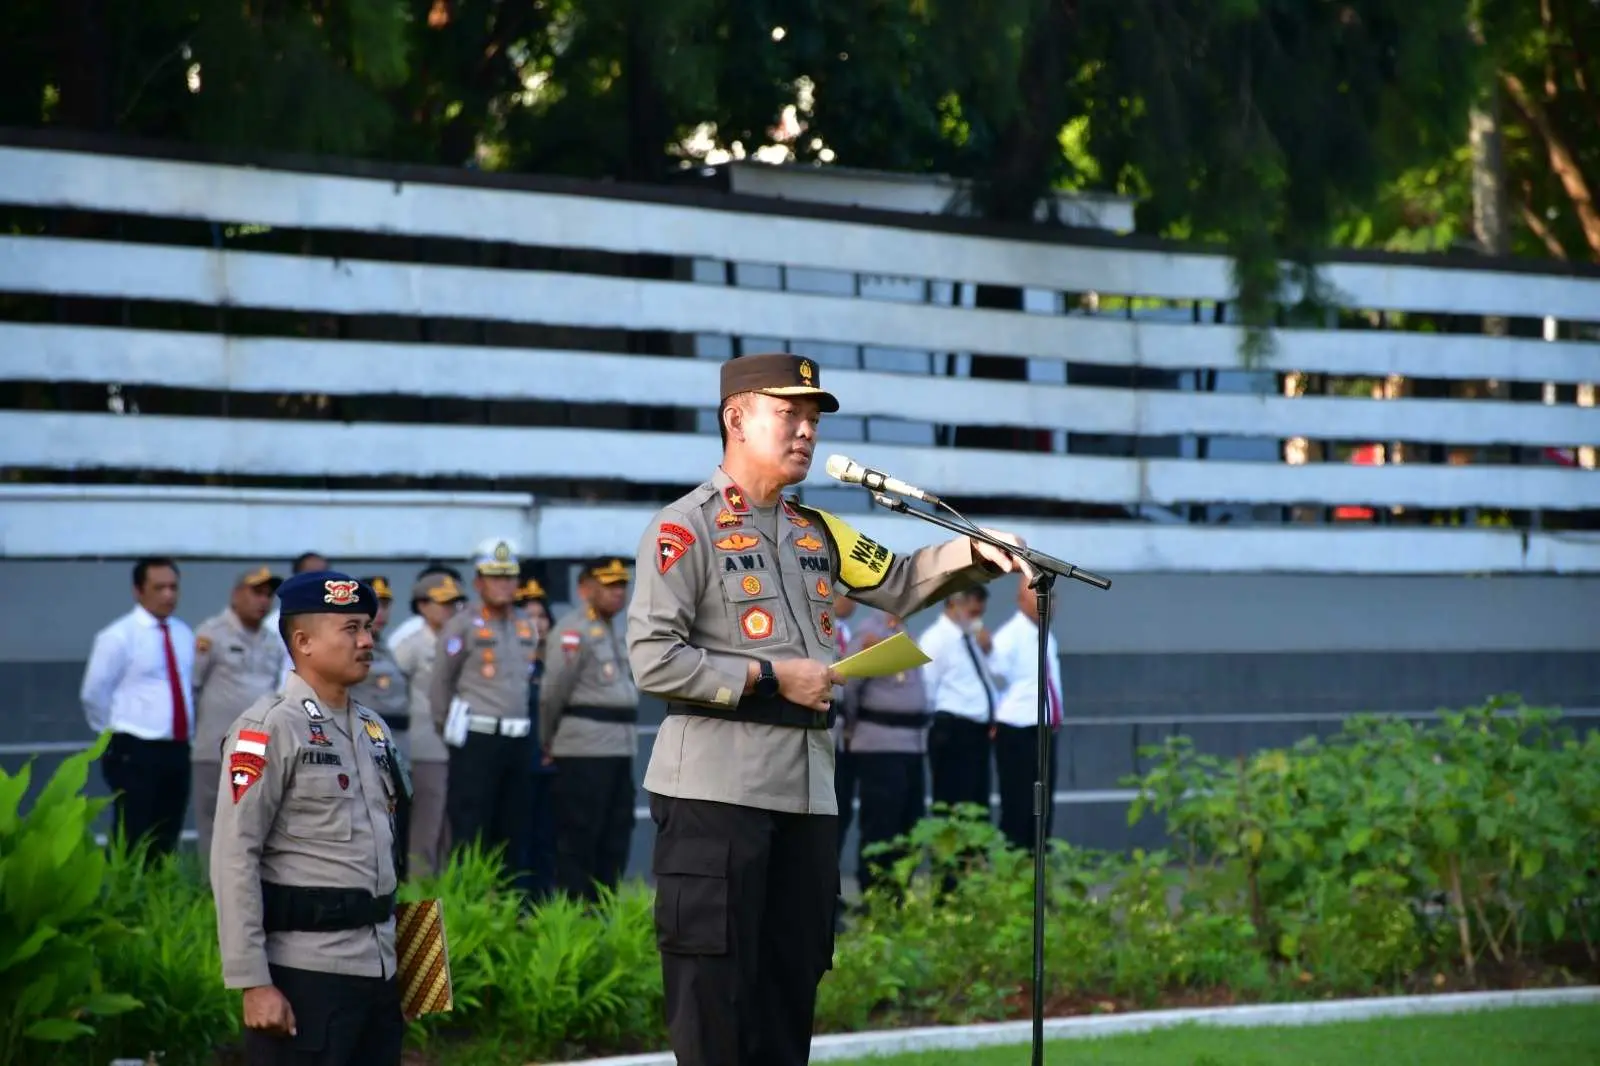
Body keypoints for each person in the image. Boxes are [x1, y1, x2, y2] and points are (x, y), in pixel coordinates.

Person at [626, 352, 1026, 1066]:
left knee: (790, 989)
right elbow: (654, 658)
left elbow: (899, 581)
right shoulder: (683, 528)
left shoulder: (816, 530)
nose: (807, 431)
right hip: (717, 790)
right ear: (736, 419)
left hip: (807, 792)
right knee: (714, 995)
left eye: (812, 419)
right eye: (790, 415)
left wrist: (974, 552)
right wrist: (772, 678)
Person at [211, 570, 410, 1066]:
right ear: (303, 641)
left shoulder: (373, 728)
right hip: (307, 975)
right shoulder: (267, 729)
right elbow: (234, 857)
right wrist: (253, 982)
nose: (367, 640)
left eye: (368, 627)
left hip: (380, 971)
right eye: (350, 629)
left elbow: (390, 848)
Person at [429, 538, 539, 885]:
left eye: (509, 576)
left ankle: (508, 911)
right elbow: (440, 685)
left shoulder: (526, 624)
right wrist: (450, 732)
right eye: (495, 577)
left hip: (518, 739)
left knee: (514, 830)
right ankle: (470, 906)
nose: (504, 584)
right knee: (471, 831)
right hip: (477, 737)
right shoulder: (462, 625)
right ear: (478, 582)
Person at [80, 556, 196, 863]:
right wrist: (115, 730)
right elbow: (94, 692)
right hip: (135, 748)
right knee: (133, 834)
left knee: (167, 833)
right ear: (138, 591)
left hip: (177, 748)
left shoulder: (184, 634)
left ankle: (157, 901)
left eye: (173, 587)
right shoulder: (118, 636)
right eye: (159, 588)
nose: (168, 595)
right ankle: (126, 902)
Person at [540, 557, 639, 902]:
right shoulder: (572, 631)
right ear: (585, 589)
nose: (618, 593)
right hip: (583, 749)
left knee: (616, 836)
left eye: (622, 585)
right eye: (609, 585)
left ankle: (602, 910)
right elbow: (552, 693)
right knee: (581, 837)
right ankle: (576, 914)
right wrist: (547, 740)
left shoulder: (616, 630)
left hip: (619, 747)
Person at [191, 565, 284, 871]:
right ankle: (211, 895)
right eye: (256, 592)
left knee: (254, 827)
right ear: (236, 594)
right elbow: (191, 686)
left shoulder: (273, 639)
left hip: (257, 748)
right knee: (214, 824)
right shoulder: (211, 634)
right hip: (215, 747)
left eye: (268, 594)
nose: (263, 601)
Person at [839, 608, 929, 902]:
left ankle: (899, 892)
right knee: (881, 824)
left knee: (910, 821)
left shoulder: (905, 631)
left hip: (912, 745)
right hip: (879, 743)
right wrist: (852, 729)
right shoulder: (868, 634)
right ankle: (876, 895)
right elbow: (849, 686)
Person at [391, 571, 467, 878]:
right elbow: (392, 690)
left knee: (452, 827)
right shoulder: (410, 645)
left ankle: (447, 895)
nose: (450, 609)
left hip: (459, 742)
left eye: (454, 603)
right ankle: (421, 899)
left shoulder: (461, 639)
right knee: (427, 824)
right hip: (424, 744)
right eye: (442, 603)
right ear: (422, 605)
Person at [987, 580, 1064, 853]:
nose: (1049, 602)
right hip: (1017, 730)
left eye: (1052, 595)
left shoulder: (1046, 637)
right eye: (1040, 595)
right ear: (1021, 599)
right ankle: (1015, 868)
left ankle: (1039, 866)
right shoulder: (1009, 637)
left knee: (1043, 806)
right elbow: (992, 680)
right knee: (1018, 805)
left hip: (1043, 730)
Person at [516, 573, 558, 900]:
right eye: (528, 616)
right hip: (518, 758)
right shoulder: (510, 660)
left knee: (550, 836)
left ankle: (546, 901)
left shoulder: (558, 660)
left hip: (555, 760)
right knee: (521, 836)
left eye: (541, 616)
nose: (537, 623)